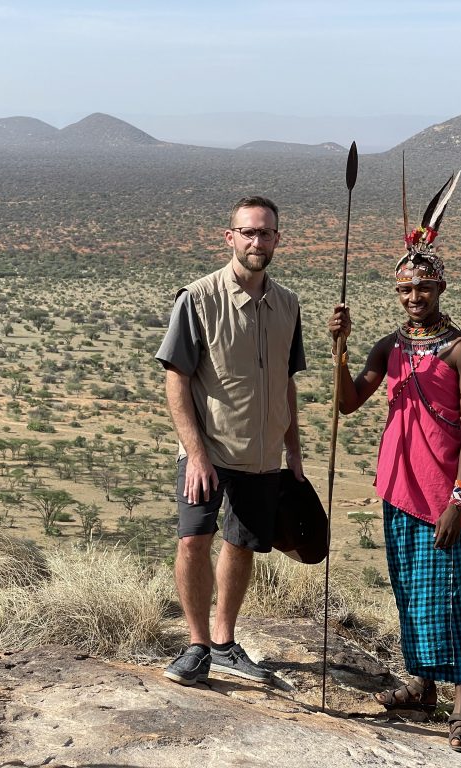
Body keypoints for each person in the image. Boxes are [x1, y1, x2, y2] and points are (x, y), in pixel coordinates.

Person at [328, 173, 461, 754]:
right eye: (404, 290)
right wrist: (339, 348)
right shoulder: (390, 346)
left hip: (441, 494)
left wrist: (460, 499)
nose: (413, 297)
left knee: (450, 596)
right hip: (397, 488)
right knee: (409, 591)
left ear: (440, 287)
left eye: (423, 287)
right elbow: (348, 401)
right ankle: (422, 689)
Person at [156, 196, 306, 687]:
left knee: (241, 545)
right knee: (194, 539)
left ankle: (223, 641)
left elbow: (287, 383)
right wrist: (196, 454)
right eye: (247, 232)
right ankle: (197, 645)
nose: (256, 241)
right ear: (230, 237)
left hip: (261, 455)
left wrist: (294, 455)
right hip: (210, 450)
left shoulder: (288, 305)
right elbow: (176, 380)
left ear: (277, 239)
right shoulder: (197, 299)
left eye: (265, 233)